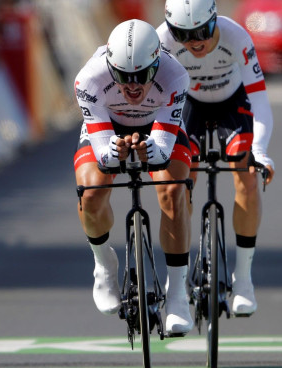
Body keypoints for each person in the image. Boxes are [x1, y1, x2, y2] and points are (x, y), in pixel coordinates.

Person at [157, 0, 275, 316]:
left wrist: (261, 150)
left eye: (203, 33)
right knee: (176, 186)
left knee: (247, 175)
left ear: (215, 20)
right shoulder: (161, 41)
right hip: (186, 106)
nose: (194, 43)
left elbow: (261, 101)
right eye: (183, 35)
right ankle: (178, 279)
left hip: (231, 104)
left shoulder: (237, 37)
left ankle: (244, 279)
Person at [73, 18, 193, 336]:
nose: (133, 85)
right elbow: (103, 154)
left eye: (142, 75)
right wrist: (116, 151)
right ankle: (103, 263)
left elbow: (164, 148)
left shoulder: (176, 75)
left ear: (157, 62)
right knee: (91, 192)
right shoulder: (88, 78)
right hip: (109, 128)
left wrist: (149, 150)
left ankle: (178, 294)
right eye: (124, 77)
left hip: (158, 127)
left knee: (172, 190)